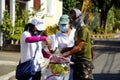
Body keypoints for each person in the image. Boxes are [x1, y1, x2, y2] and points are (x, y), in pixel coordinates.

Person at [62, 8, 94, 80]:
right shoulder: (77, 30)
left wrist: (67, 54)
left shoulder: (83, 30)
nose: (71, 21)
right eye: (70, 19)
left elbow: (79, 47)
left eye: (73, 18)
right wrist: (68, 49)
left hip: (84, 62)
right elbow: (76, 45)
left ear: (78, 18)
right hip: (77, 61)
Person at [44, 14, 76, 80]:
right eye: (61, 25)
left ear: (69, 24)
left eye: (64, 24)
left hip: (76, 61)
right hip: (64, 63)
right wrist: (49, 46)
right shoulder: (58, 35)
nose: (62, 26)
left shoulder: (75, 32)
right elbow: (53, 50)